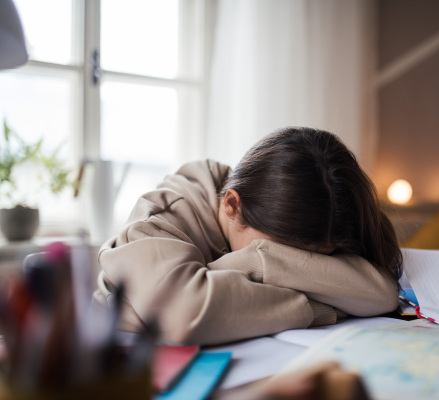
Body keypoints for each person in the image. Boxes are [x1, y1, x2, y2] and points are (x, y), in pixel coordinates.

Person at [93, 127, 402, 345]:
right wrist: (319, 306)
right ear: (231, 205)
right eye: (281, 250)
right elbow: (183, 316)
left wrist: (246, 269)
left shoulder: (295, 207)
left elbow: (381, 293)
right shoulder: (157, 219)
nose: (308, 268)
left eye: (323, 260)